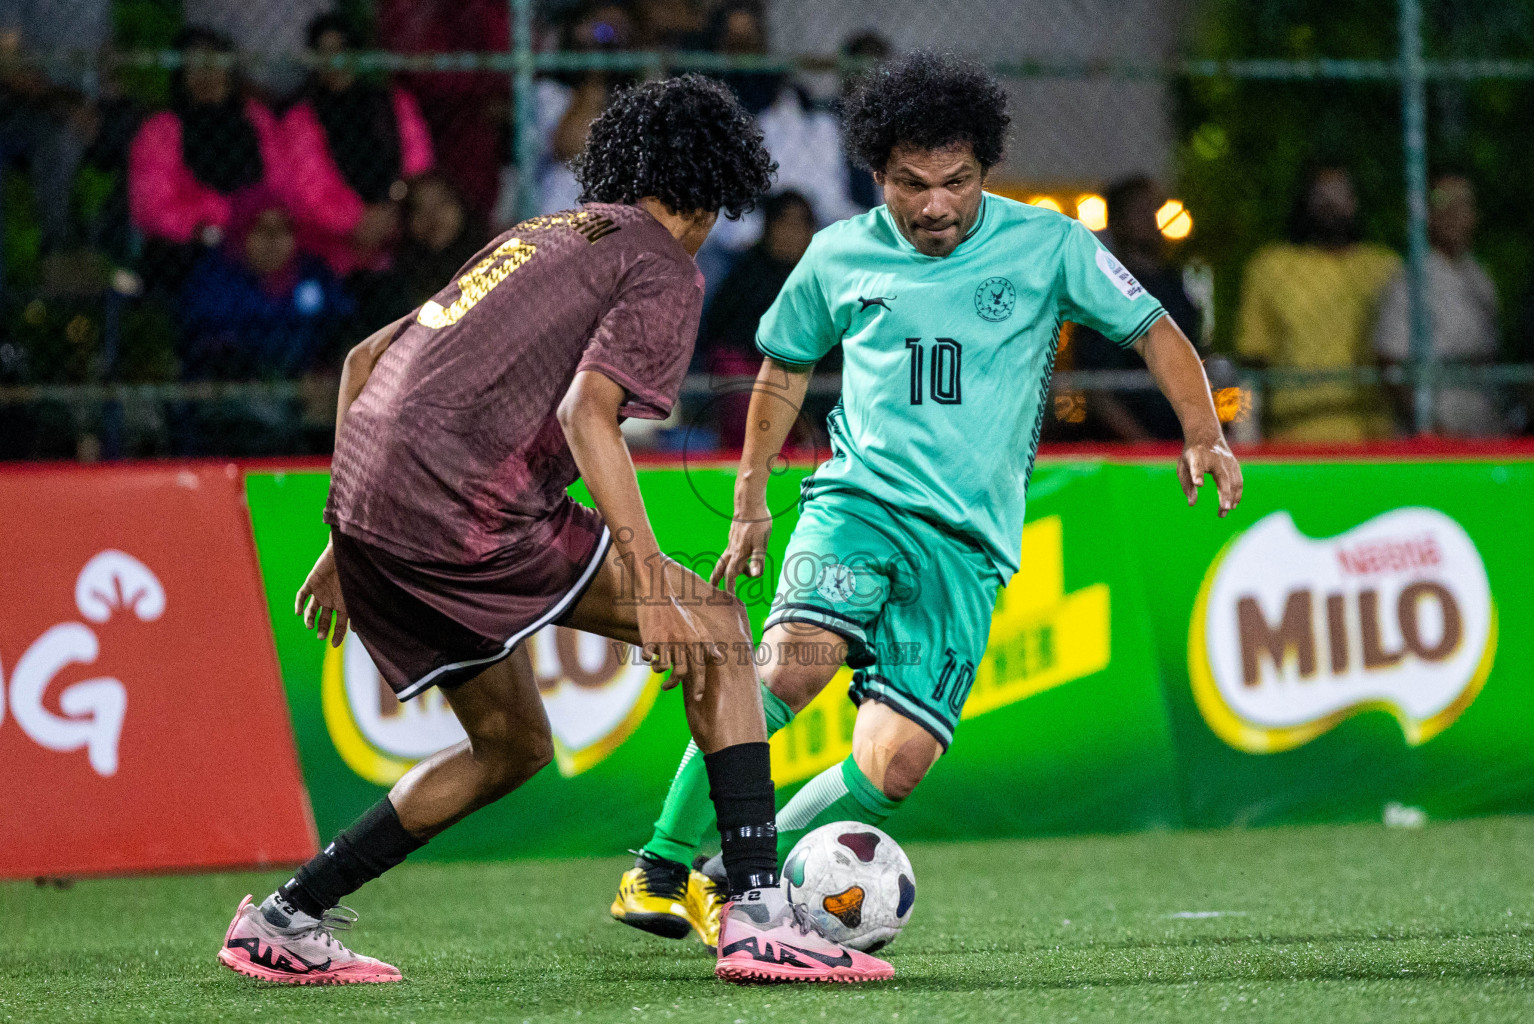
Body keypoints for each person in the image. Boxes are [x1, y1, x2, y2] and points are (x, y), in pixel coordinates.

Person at [215, 75, 892, 987]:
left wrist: (345, 530)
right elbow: (588, 413)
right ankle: (761, 915)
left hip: (378, 512)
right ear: (712, 190)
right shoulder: (661, 263)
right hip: (469, 512)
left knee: (513, 748)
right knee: (721, 629)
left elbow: (366, 358)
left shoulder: (534, 236)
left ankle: (285, 919)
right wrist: (651, 581)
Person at [608, 52, 1242, 948]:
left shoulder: (1049, 245)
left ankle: (727, 871)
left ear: (985, 171)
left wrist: (1203, 431)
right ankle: (660, 865)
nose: (935, 204)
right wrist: (751, 496)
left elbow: (1155, 328)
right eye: (911, 184)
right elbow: (786, 365)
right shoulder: (838, 253)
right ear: (878, 175)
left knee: (893, 769)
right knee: (791, 668)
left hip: (969, 546)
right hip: (857, 506)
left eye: (956, 182)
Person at [1234, 165, 1400, 441]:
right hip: (1293, 434)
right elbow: (1252, 359)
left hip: (1372, 434)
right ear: (1305, 203)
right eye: (1321, 196)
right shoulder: (1271, 267)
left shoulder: (1385, 267)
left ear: (1356, 202)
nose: (1331, 204)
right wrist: (1245, 431)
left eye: (1340, 194)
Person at [127, 27, 288, 293]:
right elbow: (152, 207)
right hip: (194, 241)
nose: (206, 73)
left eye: (213, 62)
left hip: (258, 234)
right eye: (195, 65)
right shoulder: (161, 128)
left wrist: (253, 224)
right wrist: (218, 222)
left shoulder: (256, 120)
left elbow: (281, 183)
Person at [281, 14, 435, 281]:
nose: (334, 61)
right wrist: (356, 220)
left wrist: (393, 207)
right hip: (336, 245)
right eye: (324, 52)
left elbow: (418, 163)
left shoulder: (393, 101)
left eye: (341, 49)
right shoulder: (300, 117)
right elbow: (310, 185)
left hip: (401, 225)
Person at [1069, 175, 1204, 441]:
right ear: (1118, 222)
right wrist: (1142, 444)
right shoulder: (1102, 288)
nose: (1152, 220)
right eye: (1140, 210)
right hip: (1122, 452)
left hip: (1178, 441)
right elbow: (1095, 385)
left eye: (1155, 209)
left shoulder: (1175, 285)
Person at [1373, 172, 1504, 437]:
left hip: (1483, 425)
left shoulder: (1479, 277)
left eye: (1464, 204)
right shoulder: (1411, 278)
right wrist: (1430, 427)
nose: (1455, 214)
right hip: (1436, 429)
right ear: (1428, 216)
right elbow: (1389, 363)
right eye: (1444, 204)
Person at [696, 190, 816, 446]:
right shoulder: (747, 275)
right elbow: (721, 334)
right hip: (748, 367)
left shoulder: (819, 277)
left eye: (799, 224)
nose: (791, 232)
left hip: (805, 374)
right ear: (768, 228)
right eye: (784, 223)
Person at [370, 172, 487, 326]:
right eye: (420, 209)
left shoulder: (495, 259)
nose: (433, 216)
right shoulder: (395, 290)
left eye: (442, 203)